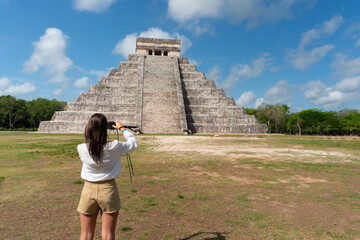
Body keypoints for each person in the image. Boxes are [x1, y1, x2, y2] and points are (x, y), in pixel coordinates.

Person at [76, 113, 137, 240]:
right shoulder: (114, 146)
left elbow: (94, 144)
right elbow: (132, 143)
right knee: (108, 234)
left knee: (85, 234)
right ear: (105, 129)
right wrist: (122, 129)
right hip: (108, 189)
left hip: (88, 190)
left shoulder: (82, 148)